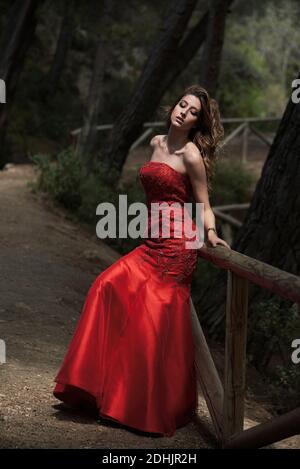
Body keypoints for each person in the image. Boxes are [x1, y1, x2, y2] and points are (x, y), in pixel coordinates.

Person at [53, 84, 231, 437]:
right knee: (106, 285)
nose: (183, 112)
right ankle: (97, 389)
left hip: (179, 246)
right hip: (151, 244)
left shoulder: (192, 155)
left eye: (193, 111)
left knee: (151, 316)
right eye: (182, 104)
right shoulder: (155, 144)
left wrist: (210, 235)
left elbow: (204, 205)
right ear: (173, 107)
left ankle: (143, 409)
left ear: (198, 122)